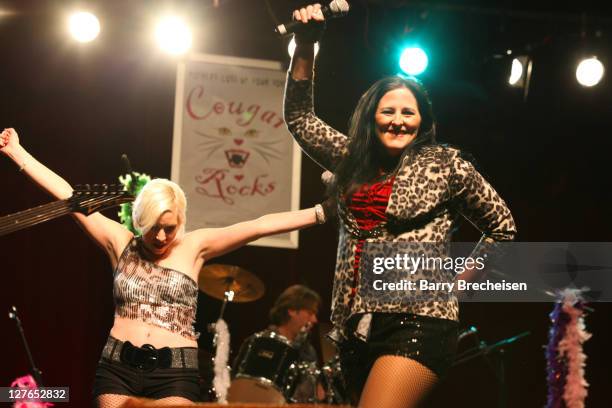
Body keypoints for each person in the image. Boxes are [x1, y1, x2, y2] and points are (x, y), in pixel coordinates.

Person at [284, 5, 517, 408]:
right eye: (387, 111)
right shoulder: (350, 159)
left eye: (408, 112)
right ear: (371, 117)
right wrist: (306, 45)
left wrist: (457, 285)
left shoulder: (445, 166)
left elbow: (502, 226)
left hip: (420, 321)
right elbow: (300, 118)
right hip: (355, 325)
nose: (397, 120)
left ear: (422, 121)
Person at [0, 128, 328, 407]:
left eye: (169, 228)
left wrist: (321, 212)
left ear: (180, 223)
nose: (160, 236)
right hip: (117, 367)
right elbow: (68, 195)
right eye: (153, 226)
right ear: (141, 219)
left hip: (175, 374)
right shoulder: (119, 241)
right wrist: (17, 152)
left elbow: (258, 225)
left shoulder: (195, 246)